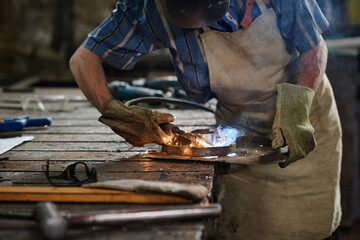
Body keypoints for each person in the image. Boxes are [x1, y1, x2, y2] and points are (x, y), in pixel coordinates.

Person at [69, 0, 342, 239]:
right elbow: (83, 61)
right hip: (234, 138)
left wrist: (297, 108)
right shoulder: (146, 8)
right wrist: (116, 112)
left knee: (308, 227)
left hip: (303, 117)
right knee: (241, 226)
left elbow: (314, 50)